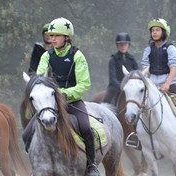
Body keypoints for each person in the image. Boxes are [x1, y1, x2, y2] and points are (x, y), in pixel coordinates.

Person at [25, 17, 99, 175]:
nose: (52, 39)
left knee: (86, 128)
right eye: (51, 36)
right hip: (50, 103)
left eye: (56, 36)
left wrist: (63, 93)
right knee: (27, 133)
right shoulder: (46, 56)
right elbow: (39, 79)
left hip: (72, 102)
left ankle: (91, 165)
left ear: (67, 37)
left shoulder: (77, 56)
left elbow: (84, 84)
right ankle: (37, 164)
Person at [130, 18, 176, 145]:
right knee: (137, 102)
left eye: (157, 30)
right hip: (151, 82)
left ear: (164, 32)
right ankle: (136, 135)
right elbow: (145, 68)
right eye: (153, 30)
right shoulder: (148, 50)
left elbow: (173, 68)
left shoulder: (171, 48)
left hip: (170, 81)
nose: (154, 32)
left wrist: (167, 84)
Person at [104, 32, 138, 105]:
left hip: (130, 85)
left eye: (125, 44)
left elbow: (137, 73)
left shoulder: (132, 59)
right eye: (120, 44)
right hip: (116, 86)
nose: (123, 46)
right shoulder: (113, 59)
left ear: (128, 45)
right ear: (117, 46)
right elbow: (112, 78)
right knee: (106, 101)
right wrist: (121, 87)